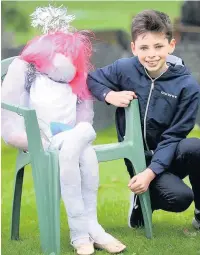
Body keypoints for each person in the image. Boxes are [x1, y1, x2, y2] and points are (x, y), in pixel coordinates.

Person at [1, 5, 126, 255]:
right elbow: (8, 113)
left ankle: (83, 233)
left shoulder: (77, 79)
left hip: (73, 137)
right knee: (82, 149)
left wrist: (80, 130)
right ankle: (88, 230)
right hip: (43, 139)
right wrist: (28, 139)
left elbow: (85, 114)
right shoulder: (26, 70)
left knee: (81, 146)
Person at [87, 9, 200, 231]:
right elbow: (92, 79)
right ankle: (141, 200)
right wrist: (109, 95)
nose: (152, 54)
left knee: (196, 147)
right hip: (138, 158)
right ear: (133, 48)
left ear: (171, 45)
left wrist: (151, 173)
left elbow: (174, 136)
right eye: (144, 48)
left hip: (167, 154)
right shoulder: (124, 69)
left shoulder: (188, 87)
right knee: (179, 198)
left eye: (158, 46)